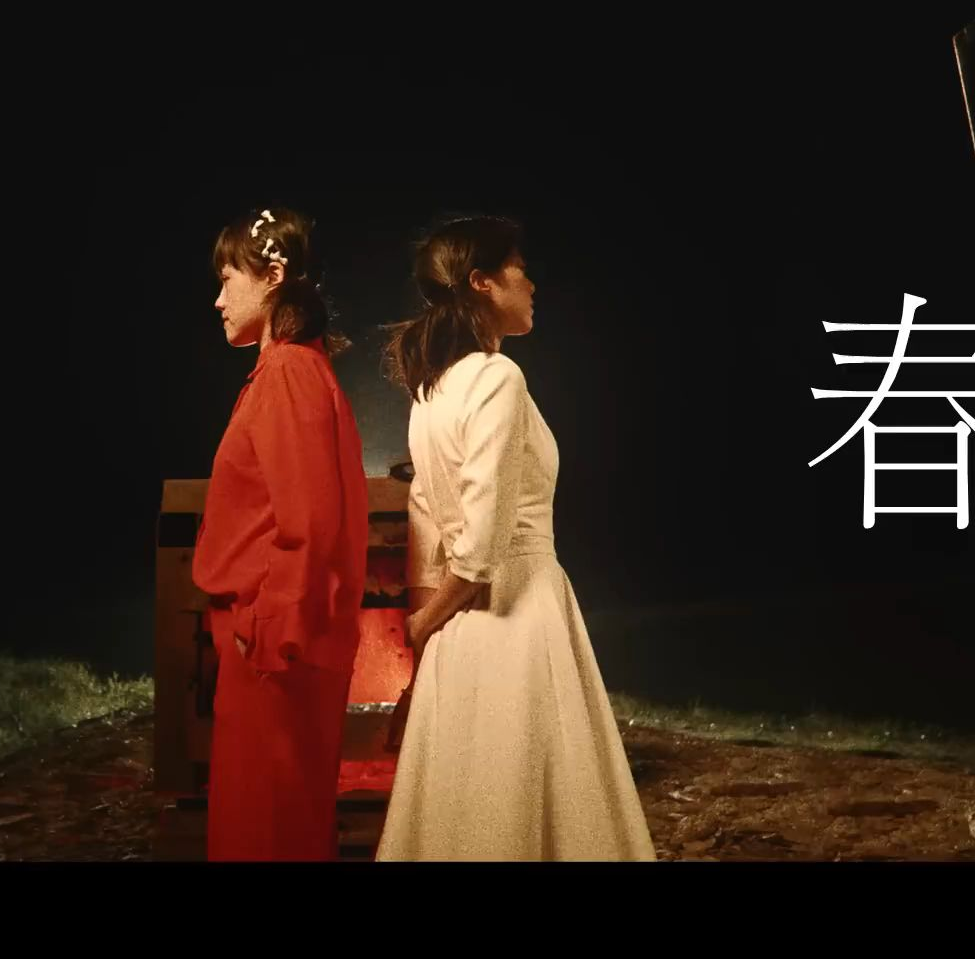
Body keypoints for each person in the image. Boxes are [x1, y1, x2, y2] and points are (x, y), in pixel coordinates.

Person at [377, 214, 655, 861]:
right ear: (482, 282)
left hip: (458, 637)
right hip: (518, 614)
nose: (531, 284)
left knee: (467, 806)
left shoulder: (430, 394)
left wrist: (428, 631)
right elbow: (481, 548)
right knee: (533, 798)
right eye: (519, 270)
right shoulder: (498, 378)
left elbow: (427, 532)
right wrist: (421, 626)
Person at [191, 207, 368, 861]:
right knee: (275, 821)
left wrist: (269, 628)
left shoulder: (289, 371)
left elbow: (310, 515)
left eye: (226, 279)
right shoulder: (293, 370)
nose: (218, 300)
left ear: (273, 276)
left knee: (263, 828)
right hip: (274, 640)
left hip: (272, 646)